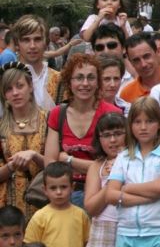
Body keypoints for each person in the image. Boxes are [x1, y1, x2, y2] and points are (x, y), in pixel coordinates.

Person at [106, 97, 160, 247]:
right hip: (127, 233)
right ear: (130, 126)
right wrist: (149, 196)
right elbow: (110, 195)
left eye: (149, 121)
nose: (143, 127)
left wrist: (127, 188)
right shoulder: (124, 156)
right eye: (137, 122)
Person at [43, 54, 122, 208]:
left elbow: (116, 165)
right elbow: (50, 164)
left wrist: (68, 160)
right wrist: (96, 165)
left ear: (98, 82)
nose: (85, 83)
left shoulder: (112, 114)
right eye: (79, 78)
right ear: (69, 81)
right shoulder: (57, 114)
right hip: (65, 196)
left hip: (102, 195)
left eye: (91, 78)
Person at [0, 62, 49, 219]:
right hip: (7, 207)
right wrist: (11, 166)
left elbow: (57, 165)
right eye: (9, 89)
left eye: (20, 86)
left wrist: (34, 155)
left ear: (31, 87)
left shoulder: (48, 120)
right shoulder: (1, 127)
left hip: (42, 203)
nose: (15, 93)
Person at [79, 113, 127, 247]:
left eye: (118, 134)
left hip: (129, 228)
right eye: (106, 135)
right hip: (103, 230)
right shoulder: (97, 166)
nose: (113, 140)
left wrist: (121, 165)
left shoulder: (138, 160)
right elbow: (91, 207)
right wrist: (112, 181)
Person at [24, 162, 90, 247]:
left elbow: (87, 244)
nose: (59, 192)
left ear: (72, 187)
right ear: (45, 190)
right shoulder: (39, 217)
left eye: (63, 187)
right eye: (53, 188)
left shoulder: (81, 214)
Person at [11, 16, 60, 110]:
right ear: (17, 44)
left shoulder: (59, 79)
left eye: (37, 39)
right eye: (26, 40)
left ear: (45, 42)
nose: (32, 46)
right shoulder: (5, 79)